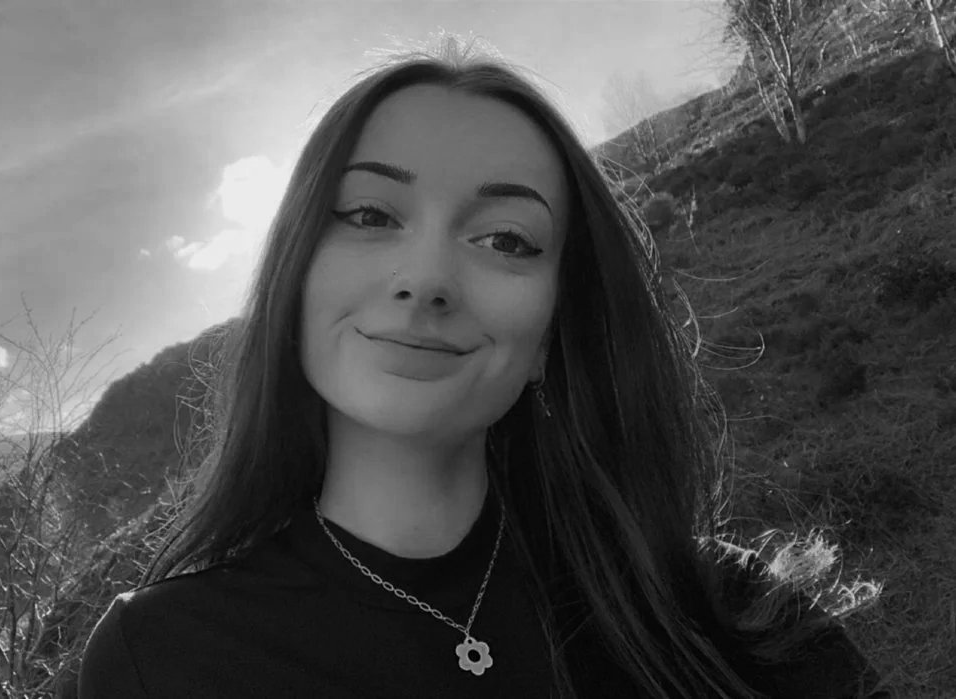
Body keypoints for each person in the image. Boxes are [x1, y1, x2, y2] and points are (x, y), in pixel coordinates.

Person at [79, 34, 889, 698]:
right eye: (369, 214)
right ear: (294, 276)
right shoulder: (159, 658)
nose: (426, 279)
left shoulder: (724, 612)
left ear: (550, 332)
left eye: (506, 239)